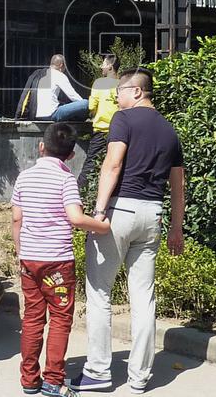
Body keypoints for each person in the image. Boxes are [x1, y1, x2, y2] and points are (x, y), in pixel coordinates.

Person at [72, 67, 185, 394]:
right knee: (143, 298)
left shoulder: (124, 120)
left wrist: (98, 210)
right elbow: (178, 187)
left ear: (137, 92)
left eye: (119, 92)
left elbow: (113, 163)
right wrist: (176, 228)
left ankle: (97, 372)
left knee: (99, 292)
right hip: (153, 215)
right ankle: (138, 379)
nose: (116, 98)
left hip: (119, 210)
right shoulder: (169, 130)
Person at [12, 123, 110, 397]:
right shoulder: (66, 180)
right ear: (70, 156)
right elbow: (76, 218)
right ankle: (53, 381)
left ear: (41, 147)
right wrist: (103, 226)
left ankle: (29, 380)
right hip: (57, 262)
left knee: (32, 318)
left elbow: (17, 218)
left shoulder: (24, 177)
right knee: (59, 319)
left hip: (29, 260)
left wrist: (21, 251)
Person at [77, 55, 119, 190]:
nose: (101, 66)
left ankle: (80, 192)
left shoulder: (99, 83)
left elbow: (91, 106)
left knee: (91, 163)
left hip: (101, 130)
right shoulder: (123, 84)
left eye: (103, 64)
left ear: (110, 66)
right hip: (119, 131)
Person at [36, 55, 88, 122]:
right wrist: (84, 106)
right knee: (86, 103)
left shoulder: (42, 75)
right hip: (52, 114)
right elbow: (73, 96)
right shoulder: (59, 75)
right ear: (61, 65)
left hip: (39, 115)